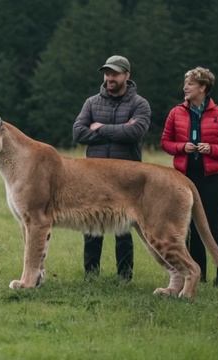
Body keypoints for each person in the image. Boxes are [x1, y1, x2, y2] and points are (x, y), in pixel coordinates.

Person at [72, 55, 151, 281]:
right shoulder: (91, 102)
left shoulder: (140, 104)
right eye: (107, 73)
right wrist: (119, 130)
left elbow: (134, 133)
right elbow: (78, 133)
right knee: (91, 225)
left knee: (124, 227)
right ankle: (91, 275)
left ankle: (124, 277)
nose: (110, 78)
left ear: (127, 75)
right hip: (92, 176)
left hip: (126, 177)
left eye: (115, 73)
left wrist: (100, 128)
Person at [161, 66, 218, 286]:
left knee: (211, 227)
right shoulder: (176, 112)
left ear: (203, 87)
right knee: (188, 228)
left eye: (190, 84)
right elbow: (165, 143)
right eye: (185, 83)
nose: (185, 87)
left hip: (212, 180)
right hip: (182, 179)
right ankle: (198, 276)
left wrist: (212, 149)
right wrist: (181, 147)